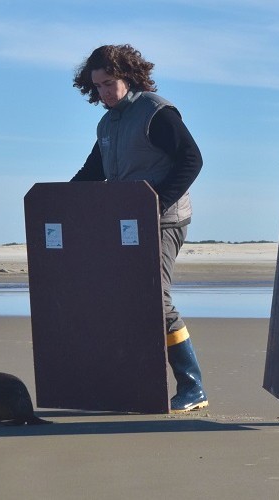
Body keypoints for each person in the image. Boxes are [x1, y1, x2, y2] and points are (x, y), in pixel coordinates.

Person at [70, 44, 207, 413]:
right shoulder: (107, 123)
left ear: (127, 76)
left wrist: (155, 203)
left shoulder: (154, 111)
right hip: (126, 225)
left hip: (165, 220)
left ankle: (192, 386)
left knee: (156, 300)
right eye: (97, 86)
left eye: (109, 83)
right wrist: (59, 203)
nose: (104, 93)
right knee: (126, 300)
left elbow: (192, 159)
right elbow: (91, 174)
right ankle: (134, 384)